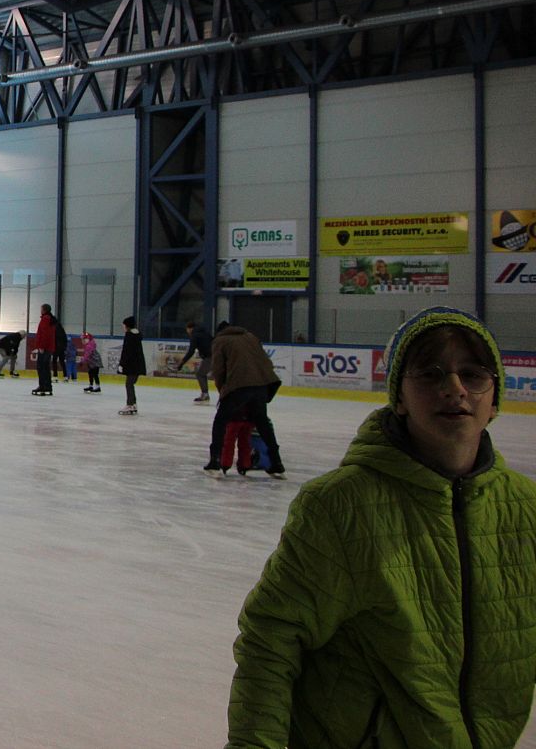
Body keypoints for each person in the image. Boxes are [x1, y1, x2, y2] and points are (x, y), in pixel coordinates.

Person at [226, 307, 536, 748]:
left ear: (496, 398)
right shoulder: (340, 506)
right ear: (399, 397)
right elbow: (270, 640)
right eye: (429, 374)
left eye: (473, 374)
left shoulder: (526, 509)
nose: (454, 388)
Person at [205, 321, 285, 479]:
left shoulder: (220, 340)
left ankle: (215, 461)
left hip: (238, 386)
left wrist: (222, 390)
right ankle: (277, 463)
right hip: (261, 385)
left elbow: (218, 369)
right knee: (262, 423)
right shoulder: (251, 337)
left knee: (221, 421)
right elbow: (266, 361)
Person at [178, 319, 214, 404]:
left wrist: (182, 362)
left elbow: (191, 351)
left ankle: (205, 394)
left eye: (187, 329)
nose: (187, 332)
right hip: (217, 355)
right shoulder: (205, 332)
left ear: (190, 328)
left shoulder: (194, 336)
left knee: (200, 374)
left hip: (210, 356)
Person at [116, 316, 145, 415]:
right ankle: (133, 404)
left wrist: (121, 364)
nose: (123, 327)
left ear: (127, 326)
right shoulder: (137, 335)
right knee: (130, 384)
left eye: (124, 325)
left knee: (129, 384)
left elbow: (126, 351)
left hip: (132, 365)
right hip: (138, 364)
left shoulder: (129, 335)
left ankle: (130, 405)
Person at [30, 304, 57, 395]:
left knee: (41, 367)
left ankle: (43, 386)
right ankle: (47, 386)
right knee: (45, 367)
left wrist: (42, 346)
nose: (40, 310)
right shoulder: (50, 319)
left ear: (44, 310)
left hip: (45, 348)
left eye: (41, 309)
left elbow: (45, 334)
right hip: (48, 347)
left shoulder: (45, 319)